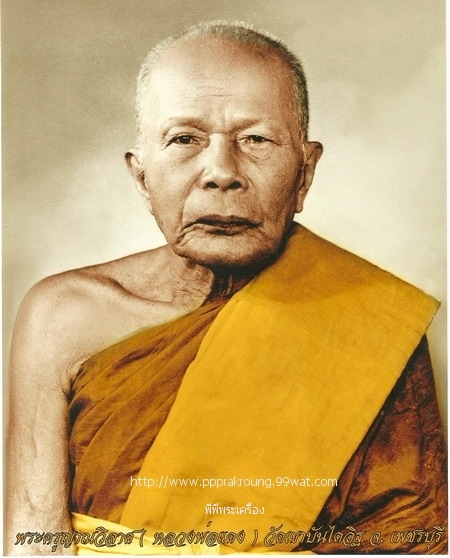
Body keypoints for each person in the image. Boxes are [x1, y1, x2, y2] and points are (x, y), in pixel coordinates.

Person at [5, 21, 447, 555]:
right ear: (142, 178)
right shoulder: (62, 315)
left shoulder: (370, 321)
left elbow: (407, 542)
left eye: (255, 140)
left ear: (305, 173)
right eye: (184, 140)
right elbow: (34, 541)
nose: (221, 172)